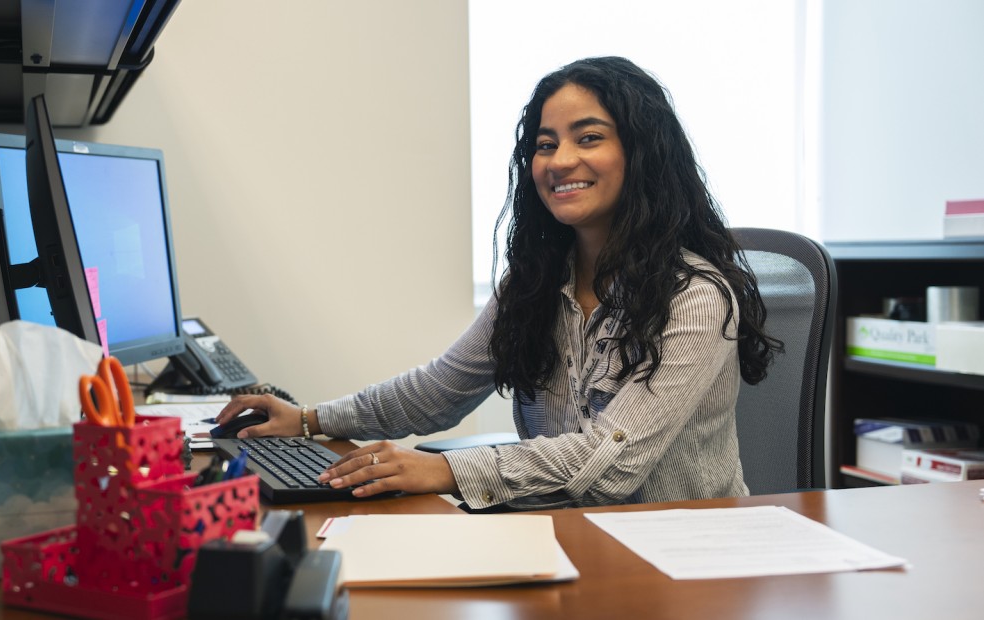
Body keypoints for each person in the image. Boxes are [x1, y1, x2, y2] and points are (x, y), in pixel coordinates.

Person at [214, 56, 782, 510]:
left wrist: (442, 471)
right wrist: (309, 420)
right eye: (545, 143)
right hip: (564, 538)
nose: (560, 160)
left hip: (682, 558)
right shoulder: (536, 285)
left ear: (642, 155)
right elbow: (439, 390)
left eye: (588, 138)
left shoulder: (695, 296)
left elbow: (613, 464)